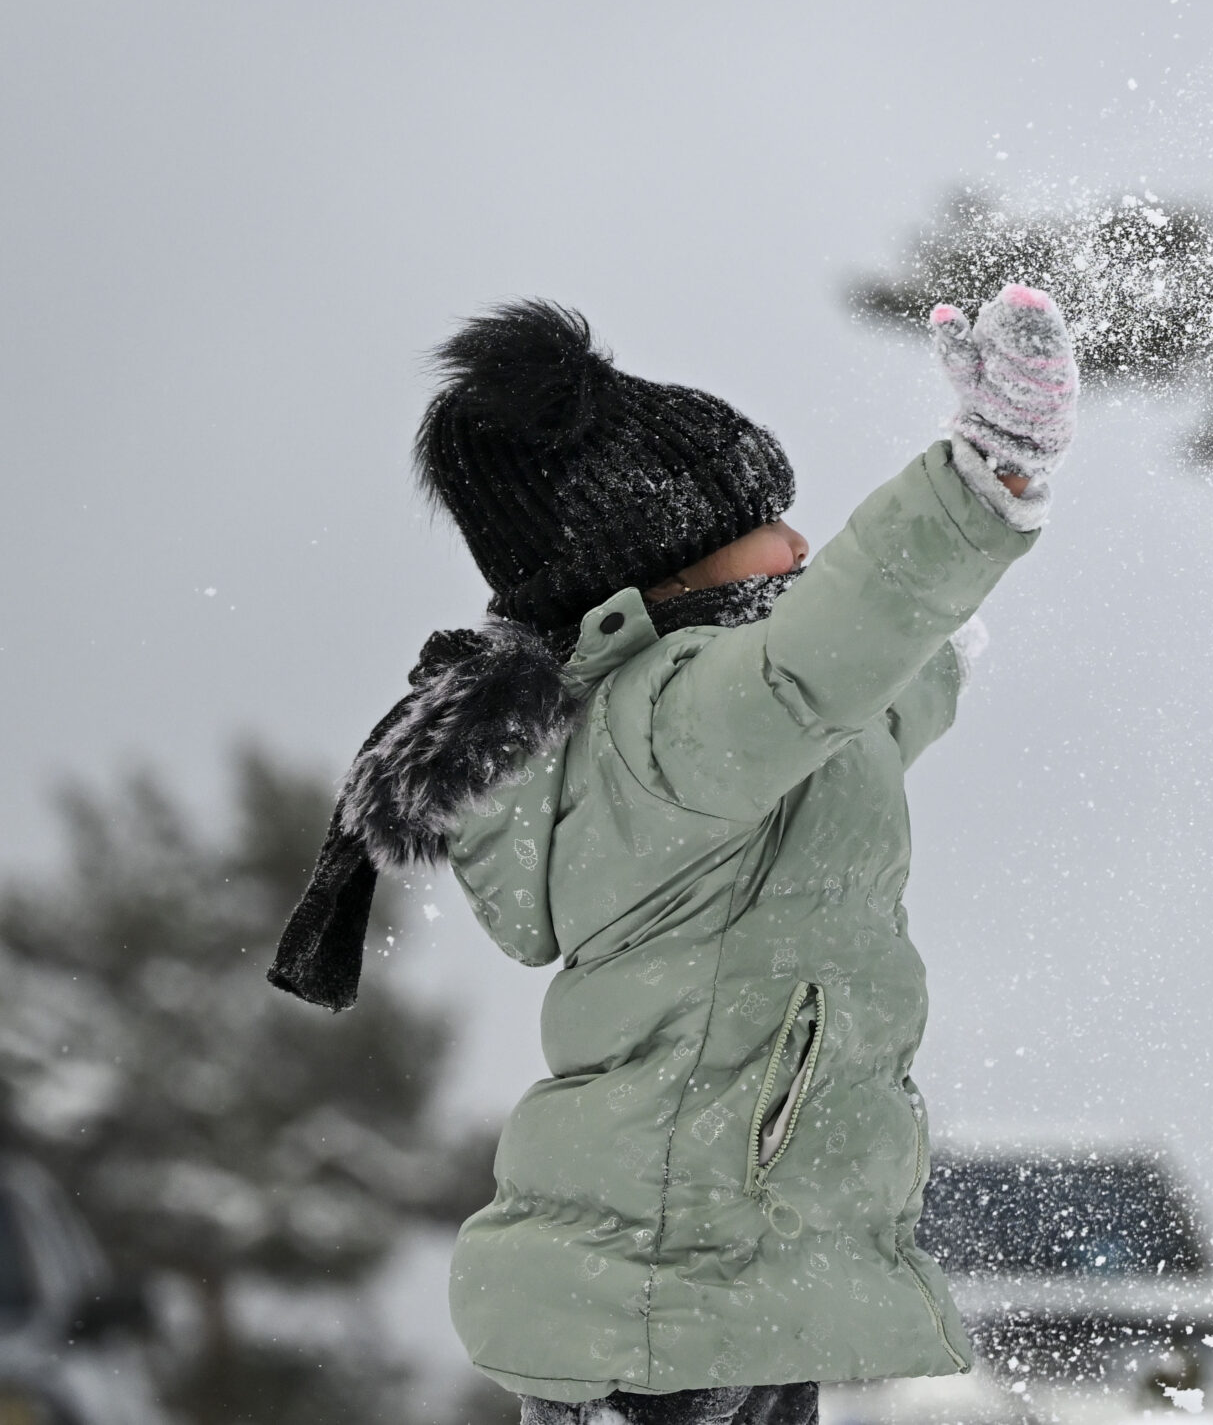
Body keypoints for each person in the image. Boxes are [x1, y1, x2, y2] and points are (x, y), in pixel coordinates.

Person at [270, 287, 1078, 1425]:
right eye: (766, 518)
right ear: (668, 568)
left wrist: (950, 593)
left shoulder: (738, 738)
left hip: (718, 1280)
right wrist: (978, 483)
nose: (800, 542)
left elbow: (865, 685)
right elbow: (828, 657)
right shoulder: (667, 727)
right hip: (663, 1295)